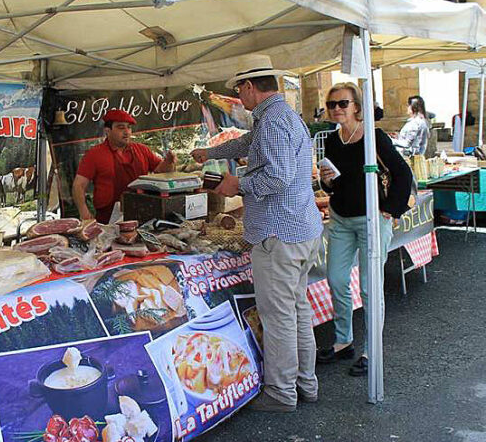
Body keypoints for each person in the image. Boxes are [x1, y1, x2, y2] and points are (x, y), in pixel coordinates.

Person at [191, 55, 322, 412]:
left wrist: (238, 184)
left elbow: (276, 177)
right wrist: (210, 152)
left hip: (280, 234)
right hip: (299, 229)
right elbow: (248, 142)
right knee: (297, 310)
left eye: (239, 89)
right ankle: (305, 383)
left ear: (249, 87)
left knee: (279, 316)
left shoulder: (276, 121)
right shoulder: (277, 117)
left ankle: (281, 393)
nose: (238, 96)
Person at [317, 82, 413, 376]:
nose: (336, 109)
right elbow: (330, 183)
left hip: (372, 219)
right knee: (335, 279)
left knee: (370, 288)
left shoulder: (374, 137)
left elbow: (402, 172)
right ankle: (343, 341)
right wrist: (327, 181)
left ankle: (372, 349)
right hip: (341, 219)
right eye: (331, 105)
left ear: (357, 106)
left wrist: (390, 210)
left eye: (342, 103)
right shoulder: (332, 141)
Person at [73, 109, 176, 223]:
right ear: (108, 130)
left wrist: (169, 162)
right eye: (121, 128)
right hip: (107, 218)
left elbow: (162, 171)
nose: (127, 132)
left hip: (142, 212)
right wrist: (84, 211)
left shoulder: (142, 150)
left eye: (129, 127)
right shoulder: (94, 154)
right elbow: (79, 185)